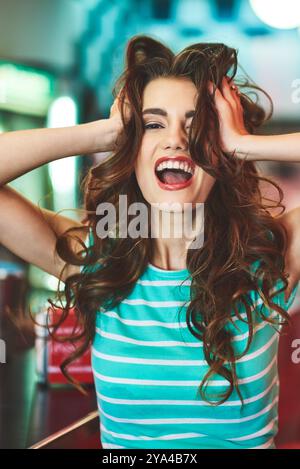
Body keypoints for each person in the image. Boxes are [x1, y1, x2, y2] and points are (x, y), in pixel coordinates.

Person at [0, 34, 300, 449]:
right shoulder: (97, 259)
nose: (176, 140)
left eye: (198, 128)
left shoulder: (274, 253)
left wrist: (242, 143)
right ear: (132, 147)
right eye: (153, 125)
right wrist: (103, 133)